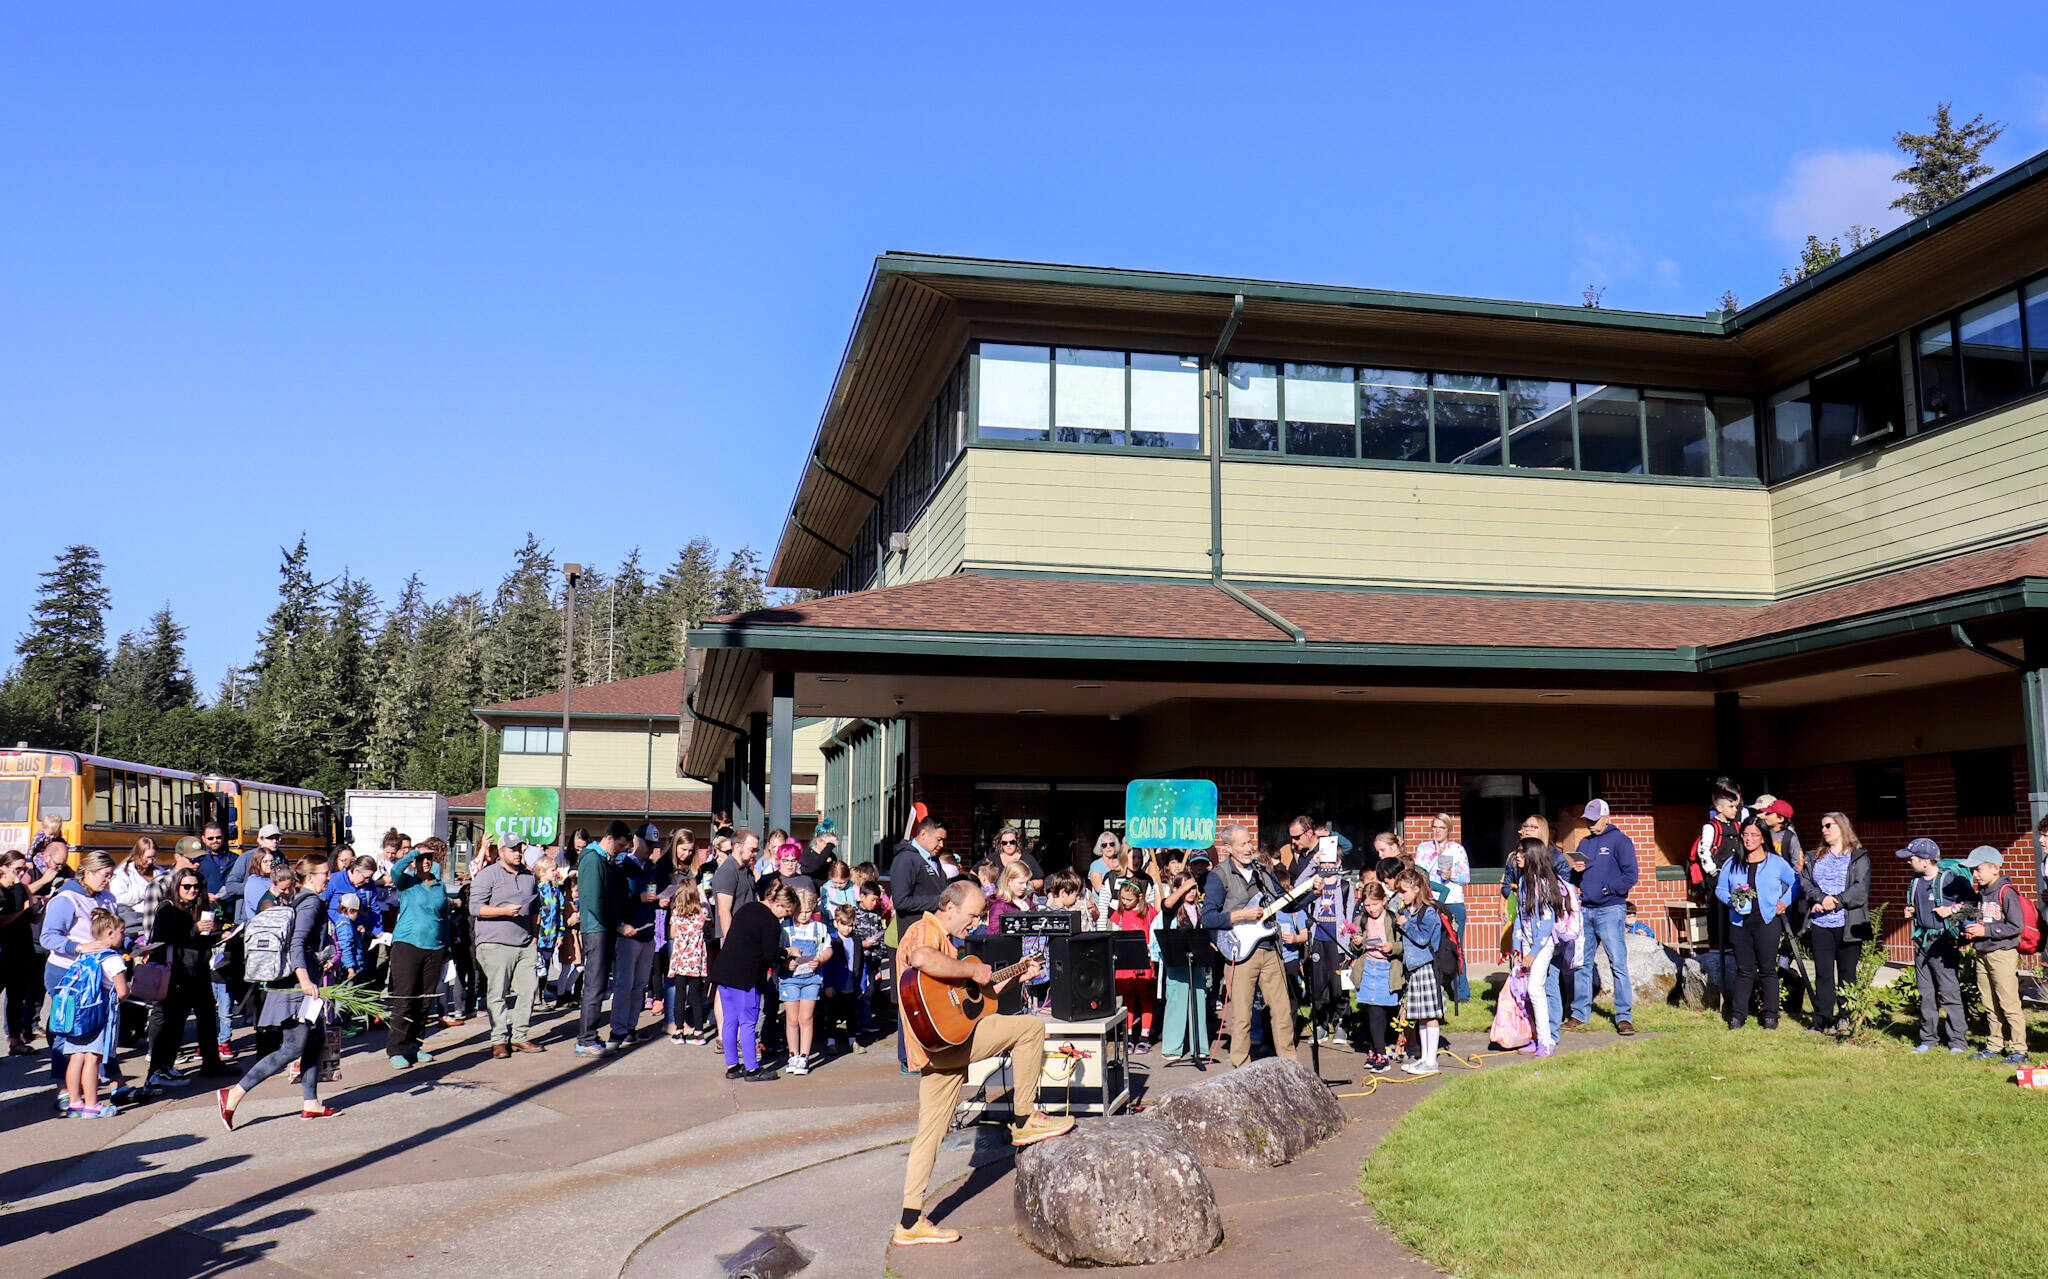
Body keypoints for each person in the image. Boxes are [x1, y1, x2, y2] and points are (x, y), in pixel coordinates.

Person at [895, 879, 1074, 1248]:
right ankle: (1024, 1119)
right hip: (939, 1045)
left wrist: (1013, 977)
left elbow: (970, 1001)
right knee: (1029, 1028)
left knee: (930, 1134)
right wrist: (972, 971)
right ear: (949, 907)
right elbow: (921, 960)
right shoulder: (924, 930)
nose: (975, 924)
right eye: (972, 916)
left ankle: (910, 1222)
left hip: (943, 1044)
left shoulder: (948, 941)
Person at [217, 857, 339, 1127]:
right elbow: (296, 943)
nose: (329, 878)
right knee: (292, 1048)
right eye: (325, 873)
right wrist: (306, 980)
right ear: (309, 877)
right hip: (300, 987)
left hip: (306, 984)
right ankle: (233, 1094)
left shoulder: (301, 900)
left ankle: (311, 1103)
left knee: (314, 1040)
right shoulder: (311, 902)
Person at [1199, 822, 1312, 1069]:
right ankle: (1241, 1068)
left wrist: (1313, 891)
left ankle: (1290, 1067)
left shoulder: (1262, 871)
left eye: (1250, 842)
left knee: (1283, 1013)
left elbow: (1287, 904)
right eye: (1243, 843)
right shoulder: (1219, 876)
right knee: (1241, 1016)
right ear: (1228, 848)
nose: (1249, 848)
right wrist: (1240, 915)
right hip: (1240, 952)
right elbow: (1207, 918)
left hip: (1270, 948)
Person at [40, 848, 119, 1101]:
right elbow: (48, 937)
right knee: (67, 1031)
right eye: (104, 875)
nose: (107, 880)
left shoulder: (107, 897)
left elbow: (108, 932)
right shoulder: (66, 899)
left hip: (95, 974)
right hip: (66, 974)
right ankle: (63, 1087)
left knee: (101, 1027)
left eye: (110, 875)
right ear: (87, 872)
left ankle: (113, 1080)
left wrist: (128, 945)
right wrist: (79, 947)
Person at [146, 867, 232, 1086]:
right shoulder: (168, 909)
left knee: (207, 1019)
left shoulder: (198, 907)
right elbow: (162, 938)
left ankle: (211, 1064)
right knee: (173, 1023)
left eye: (196, 887)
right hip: (177, 973)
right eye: (187, 886)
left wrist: (218, 935)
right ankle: (159, 1069)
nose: (192, 890)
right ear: (177, 887)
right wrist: (193, 928)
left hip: (199, 970)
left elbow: (199, 940)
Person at [1716, 818, 1797, 1030]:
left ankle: (1771, 1015)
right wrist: (1732, 901)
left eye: (1754, 835)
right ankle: (1738, 1016)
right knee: (1744, 971)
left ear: (1763, 838)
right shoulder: (1732, 863)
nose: (1749, 839)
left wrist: (1784, 902)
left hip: (1767, 922)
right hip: (1740, 923)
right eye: (1746, 835)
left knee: (1768, 970)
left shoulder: (1776, 863)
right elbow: (1720, 889)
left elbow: (1796, 883)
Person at [1566, 799, 1638, 1036]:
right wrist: (1575, 873)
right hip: (1586, 909)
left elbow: (1631, 874)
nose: (1590, 824)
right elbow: (1576, 879)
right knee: (1582, 963)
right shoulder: (1584, 843)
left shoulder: (1620, 841)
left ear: (1607, 817)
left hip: (1611, 909)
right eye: (1587, 820)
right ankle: (1579, 1013)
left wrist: (1608, 889)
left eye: (1594, 820)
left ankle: (1624, 1017)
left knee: (1617, 963)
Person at [712, 882, 795, 1082]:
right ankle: (752, 1068)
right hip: (746, 977)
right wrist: (788, 953)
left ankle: (732, 1066)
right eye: (787, 912)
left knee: (730, 1020)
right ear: (778, 905)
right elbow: (771, 953)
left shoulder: (748, 907)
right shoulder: (770, 922)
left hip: (724, 971)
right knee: (748, 1021)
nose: (785, 917)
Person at [1798, 812, 1870, 1035]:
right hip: (1821, 925)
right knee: (1823, 975)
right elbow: (1805, 883)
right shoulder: (1815, 856)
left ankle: (1846, 1019)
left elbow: (1860, 890)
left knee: (1847, 975)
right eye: (1822, 827)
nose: (1824, 830)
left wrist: (1836, 902)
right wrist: (1820, 899)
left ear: (1842, 827)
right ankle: (1823, 1021)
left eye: (1829, 825)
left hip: (1848, 925)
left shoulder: (1858, 857)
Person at [472, 835, 542, 1059]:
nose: (517, 853)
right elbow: (475, 908)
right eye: (512, 849)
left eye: (519, 848)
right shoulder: (488, 875)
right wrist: (503, 911)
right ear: (500, 852)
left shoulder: (529, 876)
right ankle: (499, 1040)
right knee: (498, 993)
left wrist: (534, 936)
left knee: (529, 990)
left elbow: (534, 909)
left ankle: (520, 1036)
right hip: (494, 943)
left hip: (524, 943)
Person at [1959, 845, 2030, 1064]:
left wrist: (1986, 931)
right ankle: (1995, 1044)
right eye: (1972, 870)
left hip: (2002, 954)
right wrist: (1972, 931)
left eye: (1978, 869)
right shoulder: (1982, 894)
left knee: (2008, 1003)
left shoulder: (2005, 892)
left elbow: (2016, 926)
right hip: (1982, 953)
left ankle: (2019, 1049)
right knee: (1989, 1003)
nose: (1975, 875)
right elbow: (1984, 920)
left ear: (1995, 869)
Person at [386, 837, 452, 1069]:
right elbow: (395, 869)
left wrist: (447, 947)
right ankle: (396, 1048)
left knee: (425, 1001)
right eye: (422, 858)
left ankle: (415, 1044)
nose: (426, 861)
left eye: (429, 858)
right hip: (407, 945)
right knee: (405, 999)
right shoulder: (406, 883)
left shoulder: (439, 886)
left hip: (434, 947)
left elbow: (444, 918)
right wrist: (414, 854)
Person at [1900, 838, 1969, 1054]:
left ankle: (1957, 1041)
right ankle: (1928, 1039)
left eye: (1912, 858)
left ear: (1926, 860)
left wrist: (1953, 910)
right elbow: (1917, 904)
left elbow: (1974, 906)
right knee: (1926, 993)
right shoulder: (1916, 881)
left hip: (1942, 943)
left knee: (1949, 992)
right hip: (1921, 942)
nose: (1908, 861)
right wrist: (1911, 912)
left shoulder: (1950, 879)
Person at [58, 909, 129, 1118]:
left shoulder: (84, 954)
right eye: (121, 932)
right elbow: (122, 991)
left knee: (76, 1057)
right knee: (93, 1059)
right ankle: (92, 1105)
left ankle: (75, 1102)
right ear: (109, 933)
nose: (123, 936)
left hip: (77, 1013)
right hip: (99, 1013)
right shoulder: (113, 959)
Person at [1511, 836, 1576, 1059]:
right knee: (1526, 992)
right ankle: (1536, 1038)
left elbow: (1547, 923)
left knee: (1535, 990)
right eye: (1517, 851)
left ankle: (1547, 1042)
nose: (1517, 856)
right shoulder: (1522, 882)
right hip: (1528, 944)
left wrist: (1532, 953)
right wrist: (1517, 947)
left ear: (1533, 856)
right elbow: (1519, 916)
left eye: (1522, 852)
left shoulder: (1544, 884)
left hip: (1542, 944)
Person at [576, 821, 632, 1056]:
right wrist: (618, 925)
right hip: (596, 930)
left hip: (604, 929)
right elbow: (594, 900)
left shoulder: (604, 861)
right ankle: (586, 1038)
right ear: (609, 838)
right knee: (595, 985)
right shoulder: (592, 860)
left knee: (599, 985)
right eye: (620, 844)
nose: (621, 849)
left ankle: (590, 1035)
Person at [1294, 839, 1355, 1040]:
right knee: (1319, 984)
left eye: (1331, 862)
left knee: (1338, 984)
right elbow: (1297, 886)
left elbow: (1350, 916)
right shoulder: (1315, 882)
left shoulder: (1346, 886)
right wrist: (1313, 862)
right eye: (1324, 862)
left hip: (1338, 941)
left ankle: (1342, 1023)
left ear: (1338, 864)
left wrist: (1347, 946)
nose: (1327, 866)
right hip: (1318, 939)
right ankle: (1320, 1022)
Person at [610, 825, 663, 1047]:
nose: (651, 850)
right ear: (637, 841)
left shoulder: (652, 867)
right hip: (628, 933)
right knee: (624, 984)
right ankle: (617, 1030)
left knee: (639, 984)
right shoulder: (621, 865)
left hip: (648, 931)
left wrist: (661, 900)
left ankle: (630, 1027)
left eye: (654, 846)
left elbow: (654, 895)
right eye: (648, 845)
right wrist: (636, 898)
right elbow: (613, 898)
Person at [1391, 867, 1445, 1074]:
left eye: (1404, 891)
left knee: (1430, 1015)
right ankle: (1424, 1058)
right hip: (1414, 968)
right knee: (1421, 1015)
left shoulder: (1429, 911)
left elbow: (1423, 939)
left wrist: (1405, 925)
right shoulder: (1410, 911)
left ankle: (1431, 1061)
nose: (1400, 895)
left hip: (1427, 967)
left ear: (1416, 888)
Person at [1412, 814, 1469, 1001]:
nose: (1437, 831)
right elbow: (1419, 873)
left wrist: (1452, 875)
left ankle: (1461, 992)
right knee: (1433, 946)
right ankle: (1436, 988)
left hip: (1453, 902)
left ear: (1449, 830)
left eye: (1441, 828)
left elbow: (1466, 878)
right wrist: (1436, 853)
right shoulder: (1424, 848)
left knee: (1455, 946)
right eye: (1435, 827)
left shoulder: (1457, 849)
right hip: (1430, 901)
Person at [779, 887, 831, 1073]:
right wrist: (786, 963)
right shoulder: (785, 928)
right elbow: (779, 951)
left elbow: (827, 949)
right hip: (790, 979)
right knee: (792, 1019)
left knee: (806, 1018)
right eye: (800, 911)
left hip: (812, 979)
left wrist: (820, 960)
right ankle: (793, 1055)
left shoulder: (820, 928)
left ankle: (804, 1056)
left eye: (808, 911)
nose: (803, 915)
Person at [1352, 882, 1402, 1072]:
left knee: (1381, 1011)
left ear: (1384, 901)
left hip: (1387, 969)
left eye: (1375, 904)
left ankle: (1380, 1052)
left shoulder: (1392, 919)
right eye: (1367, 905)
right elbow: (1354, 946)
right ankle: (1377, 1051)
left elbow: (1404, 944)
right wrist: (1357, 942)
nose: (1371, 909)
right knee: (1373, 1010)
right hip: (1368, 967)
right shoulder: (1362, 920)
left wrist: (1392, 947)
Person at [1109, 878, 1159, 1053]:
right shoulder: (1121, 912)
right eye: (1122, 898)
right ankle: (1128, 1036)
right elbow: (1114, 931)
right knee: (1128, 998)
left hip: (1144, 961)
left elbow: (1154, 934)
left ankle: (1145, 1035)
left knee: (1145, 997)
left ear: (1139, 897)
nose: (1125, 902)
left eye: (1129, 899)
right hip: (1126, 961)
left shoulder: (1149, 912)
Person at [1, 852, 43, 1055]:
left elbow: (32, 919)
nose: (22, 873)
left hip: (22, 948)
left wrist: (38, 909)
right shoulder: (3, 891)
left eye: (25, 869)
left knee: (17, 998)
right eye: (18, 869)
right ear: (4, 868)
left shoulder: (22, 889)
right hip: (4, 950)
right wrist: (22, 909)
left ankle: (15, 1040)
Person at [667, 880, 714, 1044]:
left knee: (680, 997)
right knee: (696, 997)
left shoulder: (676, 914)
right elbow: (708, 930)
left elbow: (672, 934)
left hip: (681, 961)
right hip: (696, 962)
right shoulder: (702, 914)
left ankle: (679, 1032)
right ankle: (699, 1032)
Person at [222, 823, 287, 921]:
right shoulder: (247, 857)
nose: (275, 841)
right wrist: (255, 888)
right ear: (260, 840)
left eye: (277, 838)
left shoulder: (281, 858)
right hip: (247, 917)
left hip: (274, 915)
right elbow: (231, 886)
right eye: (270, 838)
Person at [713, 828, 761, 941]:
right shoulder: (727, 871)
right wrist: (731, 943)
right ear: (738, 847)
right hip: (734, 936)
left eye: (757, 850)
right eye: (752, 850)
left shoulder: (748, 871)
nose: (755, 854)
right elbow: (724, 912)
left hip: (749, 934)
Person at [1754, 796, 1805, 873]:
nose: (1764, 816)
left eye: (1768, 814)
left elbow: (1798, 864)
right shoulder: (1763, 832)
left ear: (1780, 818)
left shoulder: (1789, 837)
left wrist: (1791, 881)